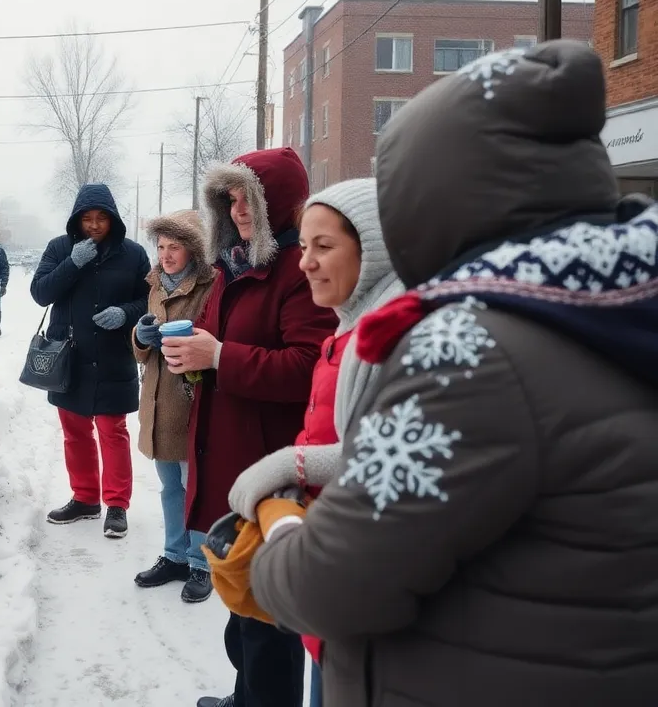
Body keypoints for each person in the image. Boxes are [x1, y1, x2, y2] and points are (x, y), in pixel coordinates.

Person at [251, 42, 658, 707]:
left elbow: (332, 586)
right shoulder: (615, 304)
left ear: (432, 195)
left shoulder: (467, 352)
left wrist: (281, 529)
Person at [159, 148, 336, 707]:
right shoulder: (233, 266)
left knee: (267, 621)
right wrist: (192, 357)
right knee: (243, 610)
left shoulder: (297, 269)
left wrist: (219, 357)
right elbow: (216, 338)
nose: (237, 209)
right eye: (230, 198)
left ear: (274, 202)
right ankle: (246, 698)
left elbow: (309, 366)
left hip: (270, 466)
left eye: (247, 198)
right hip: (232, 453)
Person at [222, 178, 402, 707]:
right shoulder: (349, 326)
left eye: (324, 246)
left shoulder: (395, 338)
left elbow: (394, 454)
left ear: (373, 250)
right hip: (328, 559)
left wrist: (289, 465)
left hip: (364, 576)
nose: (306, 262)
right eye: (303, 246)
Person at [31, 183, 150, 539]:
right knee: (75, 432)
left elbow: (149, 300)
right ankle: (85, 498)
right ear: (77, 220)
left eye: (102, 218)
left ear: (113, 219)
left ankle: (117, 504)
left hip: (114, 357)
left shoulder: (133, 254)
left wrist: (125, 313)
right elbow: (41, 293)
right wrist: (72, 263)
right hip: (70, 356)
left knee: (113, 431)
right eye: (87, 219)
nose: (95, 225)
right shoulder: (59, 248)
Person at [131, 209, 218, 603]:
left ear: (193, 250)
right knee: (170, 486)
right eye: (161, 247)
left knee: (195, 486)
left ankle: (202, 562)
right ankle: (175, 555)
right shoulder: (155, 284)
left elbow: (214, 340)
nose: (165, 255)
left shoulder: (210, 285)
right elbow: (142, 350)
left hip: (191, 401)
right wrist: (140, 336)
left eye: (174, 247)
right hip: (157, 400)